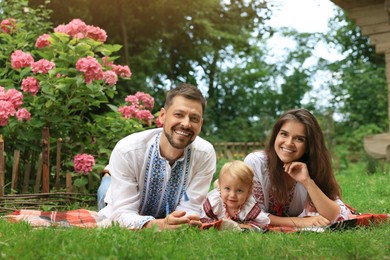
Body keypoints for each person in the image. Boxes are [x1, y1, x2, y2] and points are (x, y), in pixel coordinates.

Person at [97, 83, 217, 230]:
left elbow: (191, 208)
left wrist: (181, 222)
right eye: (179, 114)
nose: (186, 124)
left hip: (160, 206)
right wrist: (160, 225)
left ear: (201, 124)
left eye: (194, 118)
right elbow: (122, 214)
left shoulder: (205, 154)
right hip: (112, 197)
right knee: (105, 194)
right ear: (162, 116)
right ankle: (109, 176)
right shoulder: (127, 150)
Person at [244, 108, 351, 228]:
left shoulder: (313, 168)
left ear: (309, 146)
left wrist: (308, 182)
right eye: (284, 134)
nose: (289, 143)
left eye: (299, 139)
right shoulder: (256, 162)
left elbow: (336, 216)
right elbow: (250, 214)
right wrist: (299, 222)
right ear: (275, 136)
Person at [200, 160, 269, 231]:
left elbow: (263, 224)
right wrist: (215, 224)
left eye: (239, 190)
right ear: (220, 187)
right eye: (227, 188)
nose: (232, 195)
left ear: (248, 192)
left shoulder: (249, 207)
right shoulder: (214, 203)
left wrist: (245, 226)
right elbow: (202, 218)